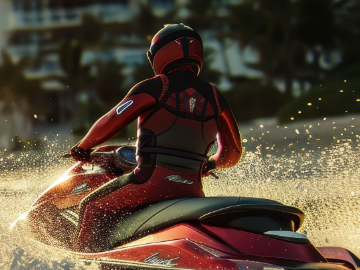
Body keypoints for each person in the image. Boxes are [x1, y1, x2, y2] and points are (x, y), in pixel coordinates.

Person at [68, 23, 243, 252]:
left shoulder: (155, 87)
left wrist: (83, 146)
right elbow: (232, 153)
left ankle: (84, 268)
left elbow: (112, 119)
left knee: (90, 206)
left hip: (149, 183)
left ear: (159, 54)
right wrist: (209, 163)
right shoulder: (215, 96)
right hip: (192, 191)